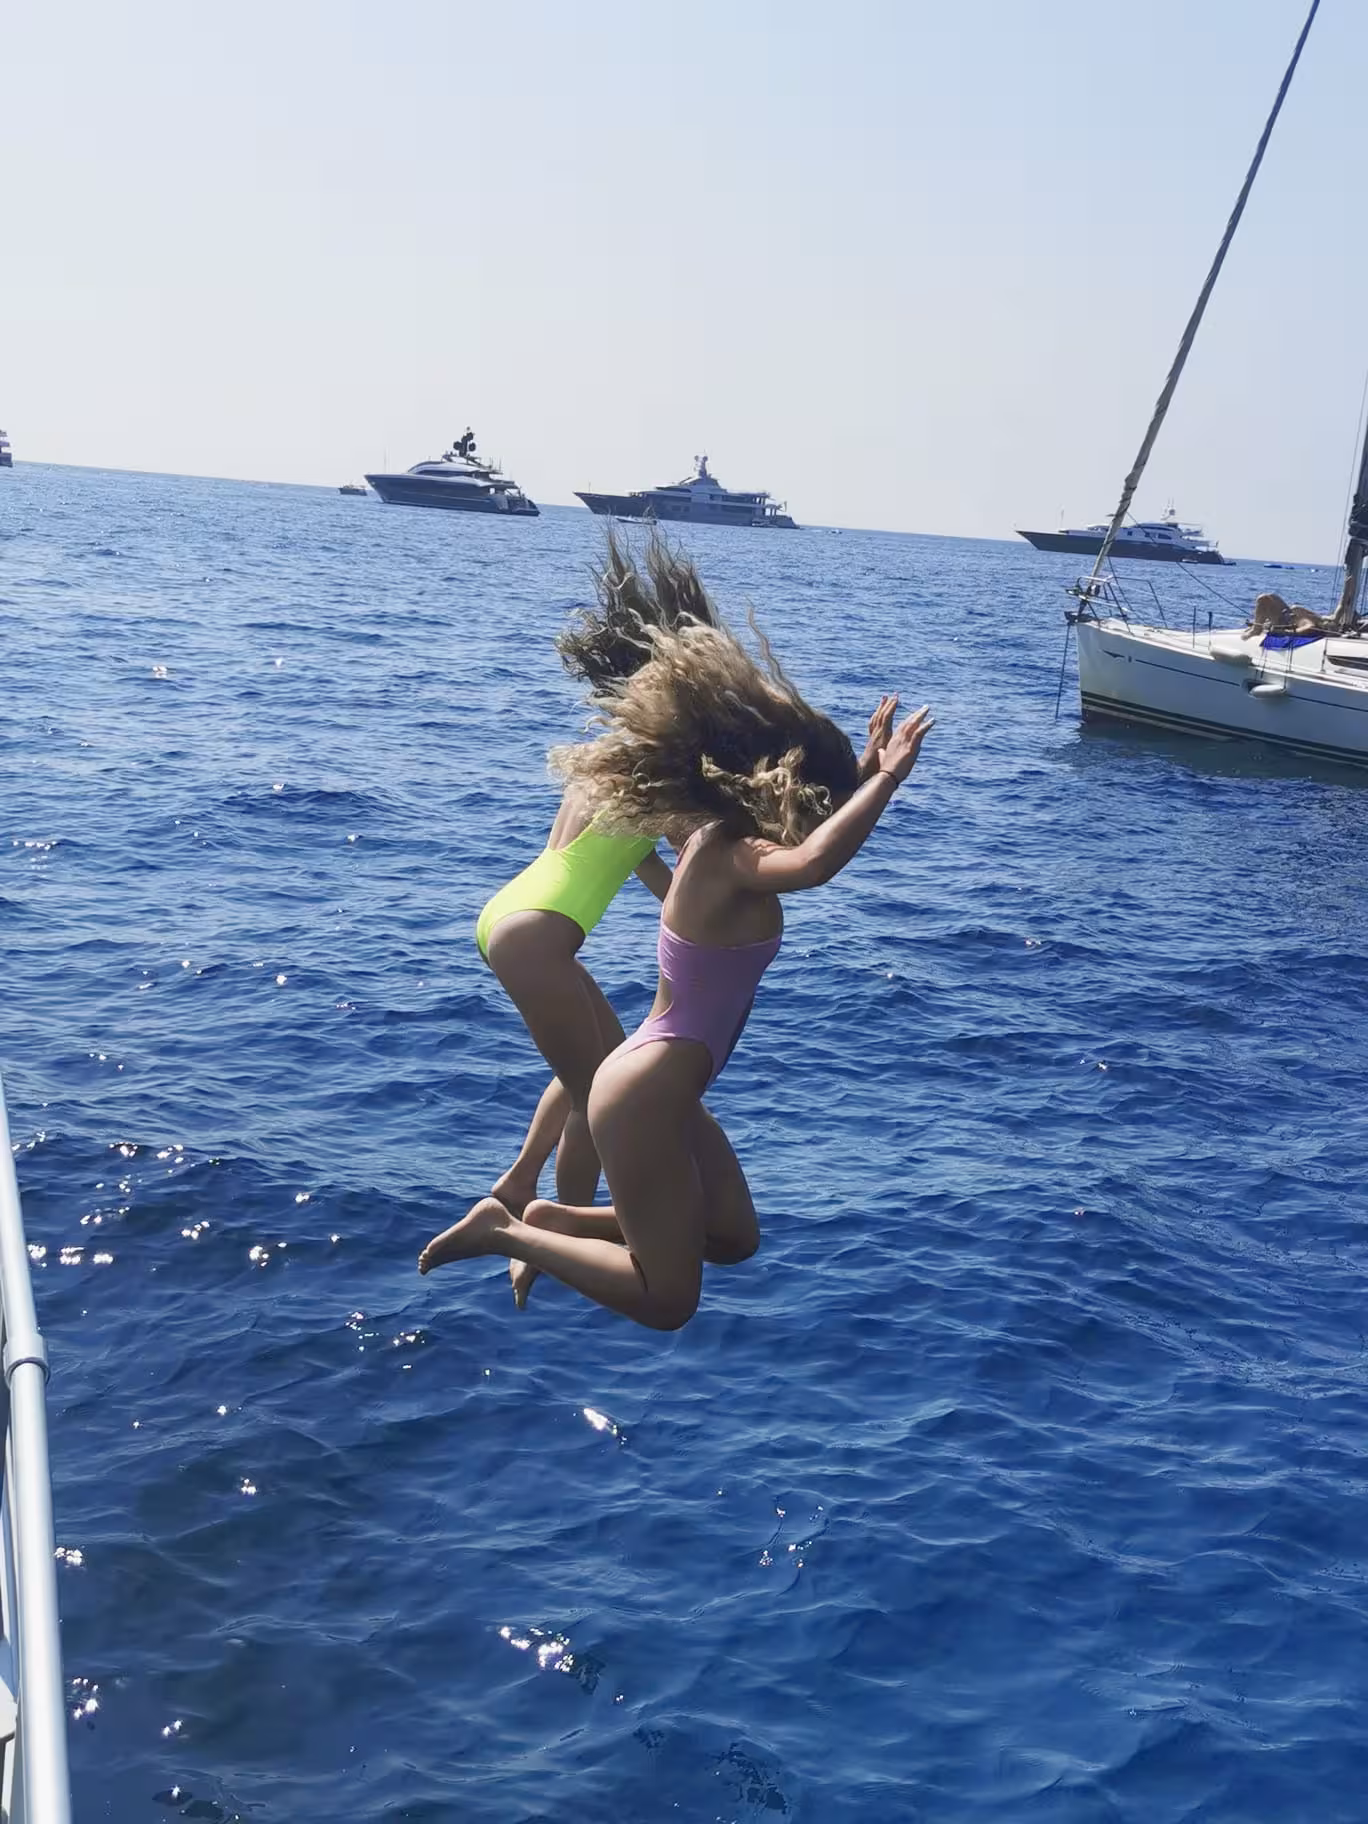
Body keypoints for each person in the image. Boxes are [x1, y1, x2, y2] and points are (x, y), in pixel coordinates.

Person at [420, 614, 933, 1330]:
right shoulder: (731, 857)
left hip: (662, 1081)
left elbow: (810, 838)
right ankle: (505, 1231)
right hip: (643, 1094)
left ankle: (553, 1218)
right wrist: (888, 780)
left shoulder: (707, 842)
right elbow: (816, 861)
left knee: (733, 1237)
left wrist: (861, 775)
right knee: (669, 1301)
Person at [473, 529, 719, 1220]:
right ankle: (564, 1227)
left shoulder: (613, 755)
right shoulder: (660, 773)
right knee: (597, 1099)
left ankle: (520, 1181)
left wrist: (683, 907)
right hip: (534, 937)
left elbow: (642, 862)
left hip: (517, 912)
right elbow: (694, 856)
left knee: (604, 1061)